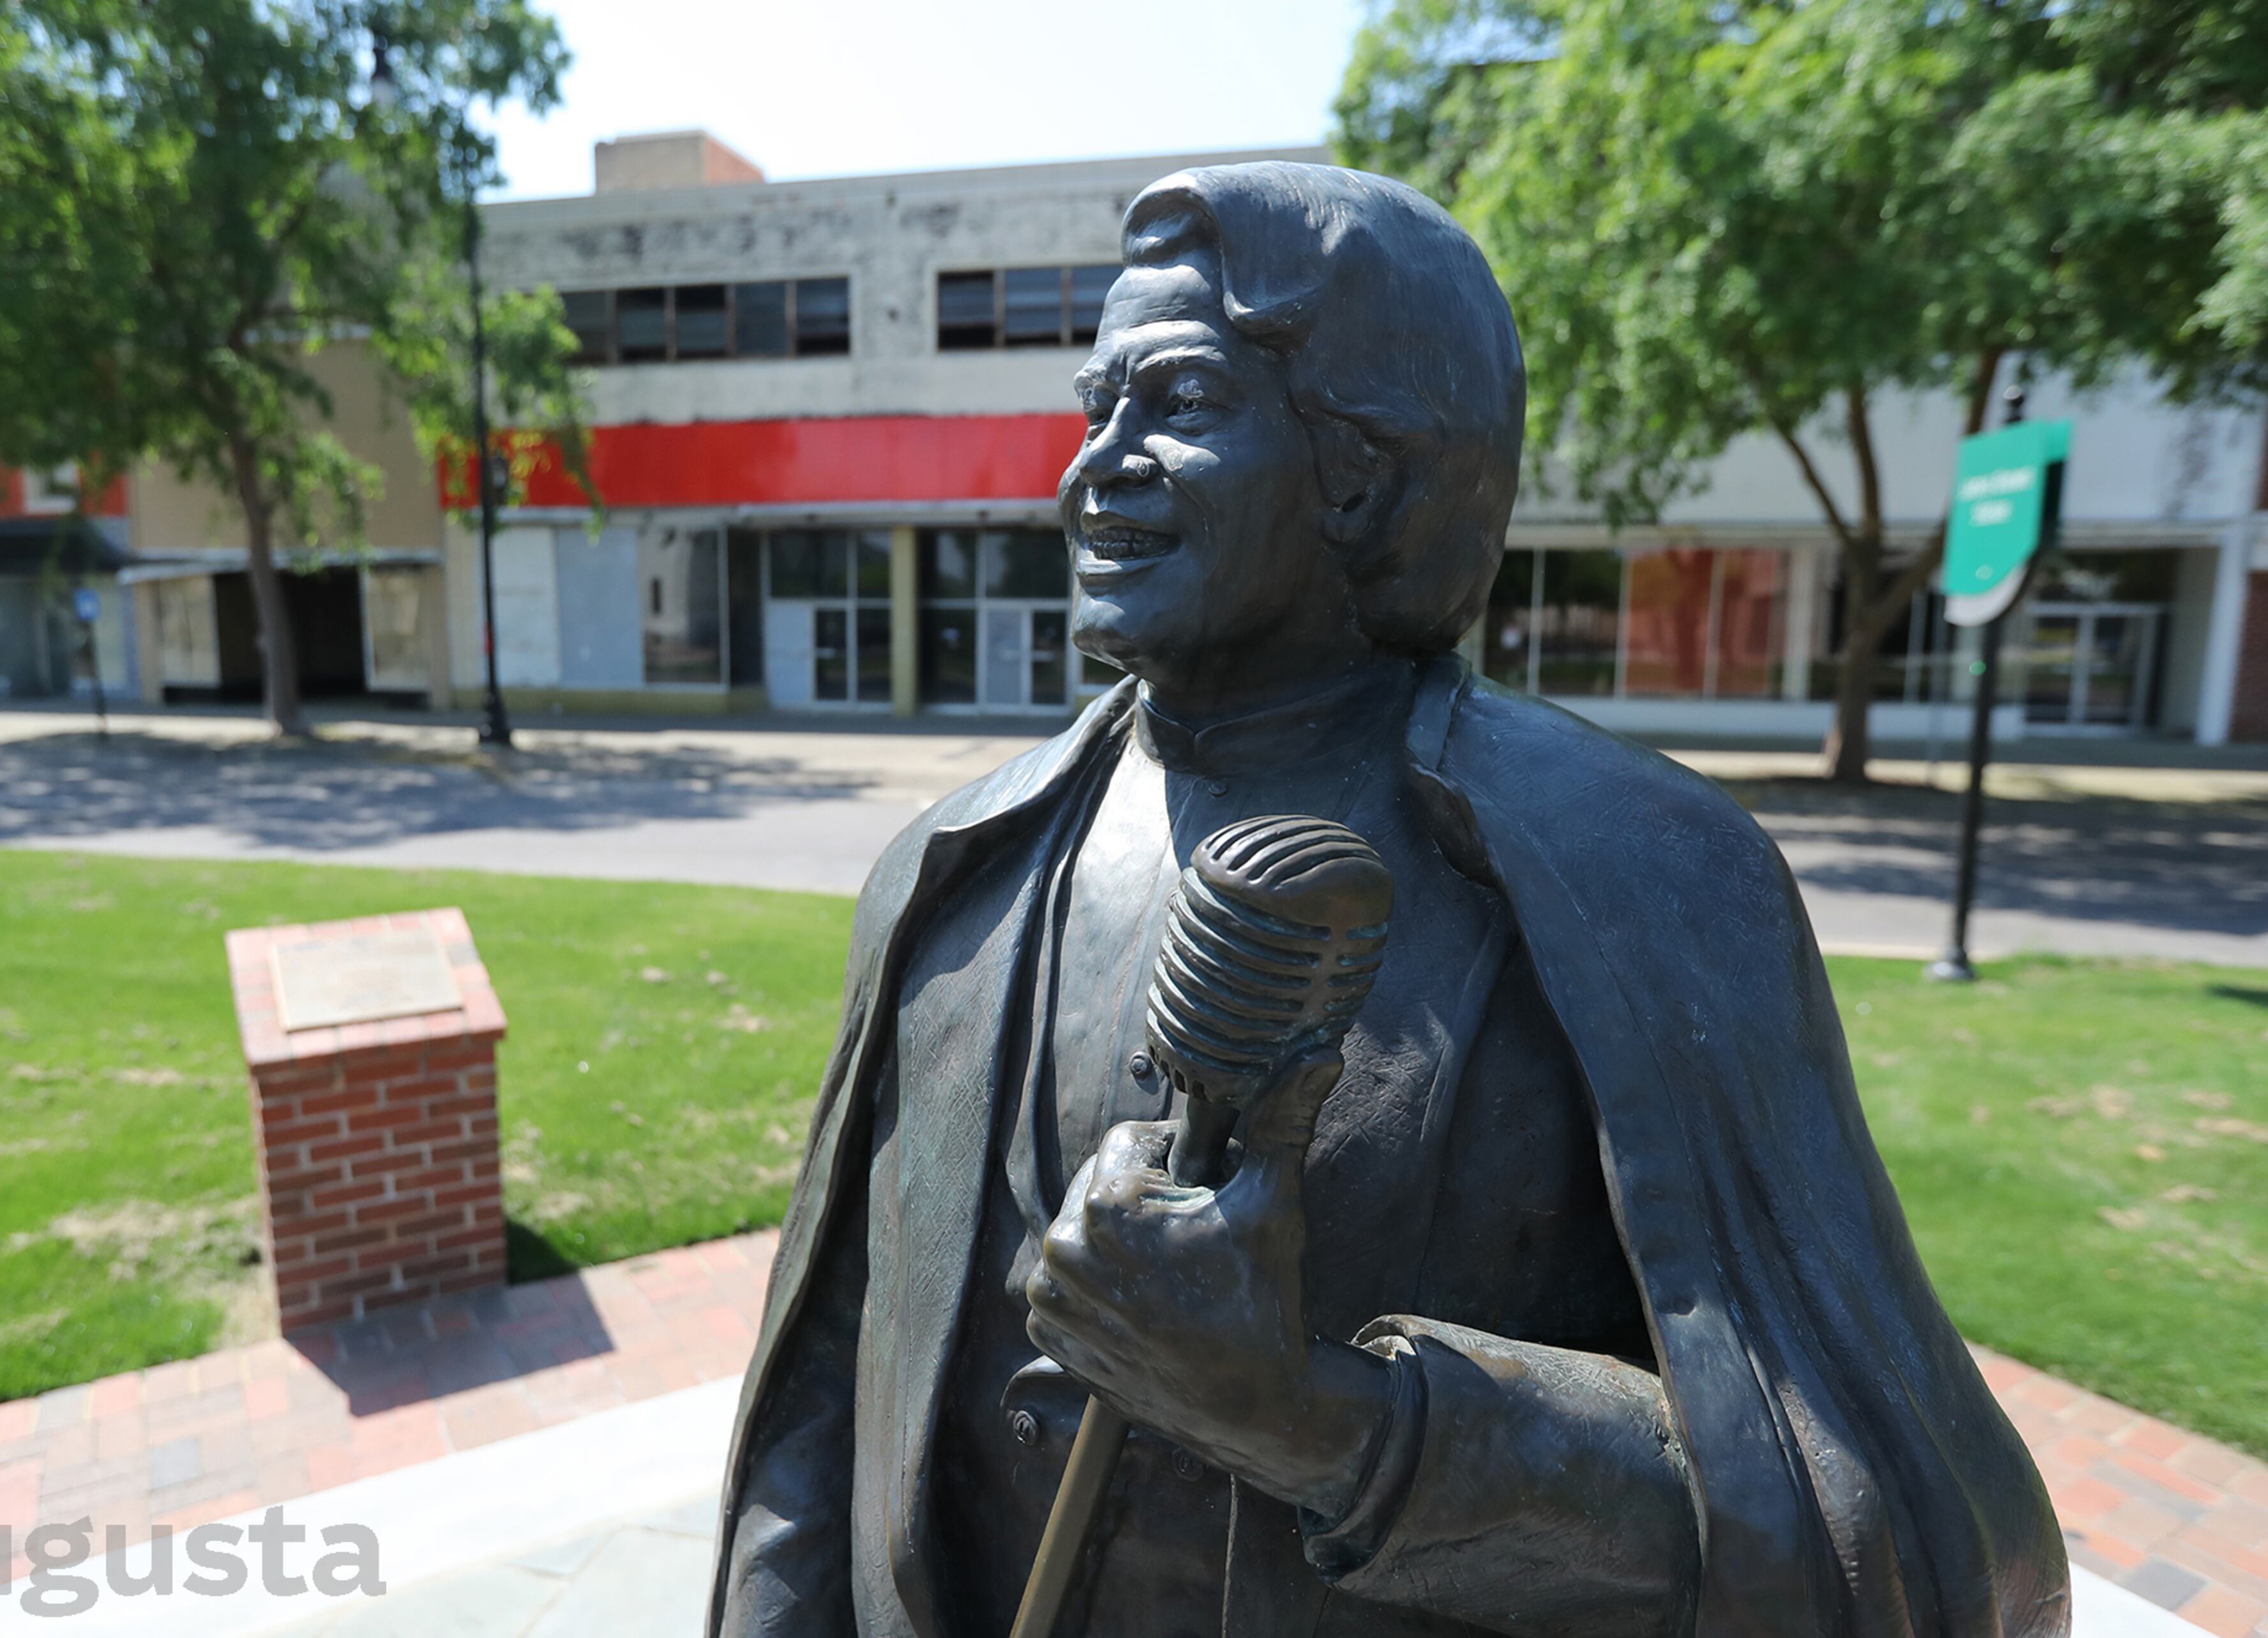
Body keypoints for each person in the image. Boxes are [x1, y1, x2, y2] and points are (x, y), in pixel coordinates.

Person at [709, 161, 2066, 1638]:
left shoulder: (1649, 878)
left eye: (1177, 403)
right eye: (1093, 406)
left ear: (1362, 465)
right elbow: (817, 1410)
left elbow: (1911, 1538)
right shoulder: (956, 867)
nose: (1094, 465)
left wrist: (1335, 1424)